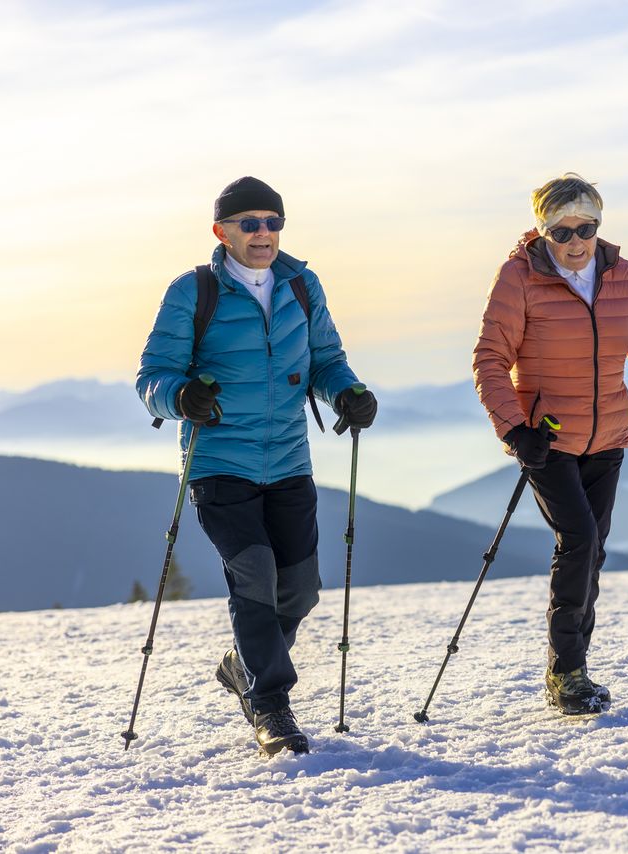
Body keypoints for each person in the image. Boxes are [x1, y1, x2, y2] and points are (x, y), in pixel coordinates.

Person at [137, 176, 377, 755]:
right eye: (250, 223)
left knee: (300, 590)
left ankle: (244, 662)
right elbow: (153, 375)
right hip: (218, 463)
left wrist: (347, 393)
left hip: (289, 459)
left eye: (273, 222)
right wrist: (180, 396)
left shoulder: (300, 283)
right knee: (255, 576)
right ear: (222, 232)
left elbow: (327, 359)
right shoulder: (194, 292)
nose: (263, 233)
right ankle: (271, 706)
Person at [472, 173, 628, 715]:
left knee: (593, 552)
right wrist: (515, 429)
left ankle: (575, 667)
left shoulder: (623, 276)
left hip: (607, 436)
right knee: (580, 539)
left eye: (586, 227)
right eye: (562, 232)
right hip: (547, 440)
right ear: (543, 232)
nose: (576, 241)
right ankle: (565, 673)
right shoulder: (519, 278)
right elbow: (491, 360)